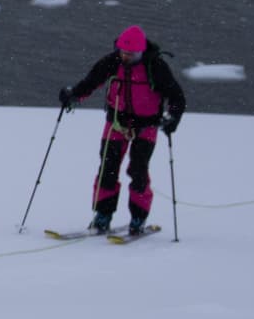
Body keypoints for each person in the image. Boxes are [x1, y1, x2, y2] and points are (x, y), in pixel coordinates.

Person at [56, 24, 185, 234]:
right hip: (116, 122)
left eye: (131, 55)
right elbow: (91, 81)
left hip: (146, 127)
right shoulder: (112, 61)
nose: (125, 57)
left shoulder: (156, 67)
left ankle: (138, 219)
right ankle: (103, 215)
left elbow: (177, 97)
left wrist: (173, 118)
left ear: (141, 52)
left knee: (138, 171)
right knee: (108, 169)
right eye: (123, 52)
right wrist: (74, 95)